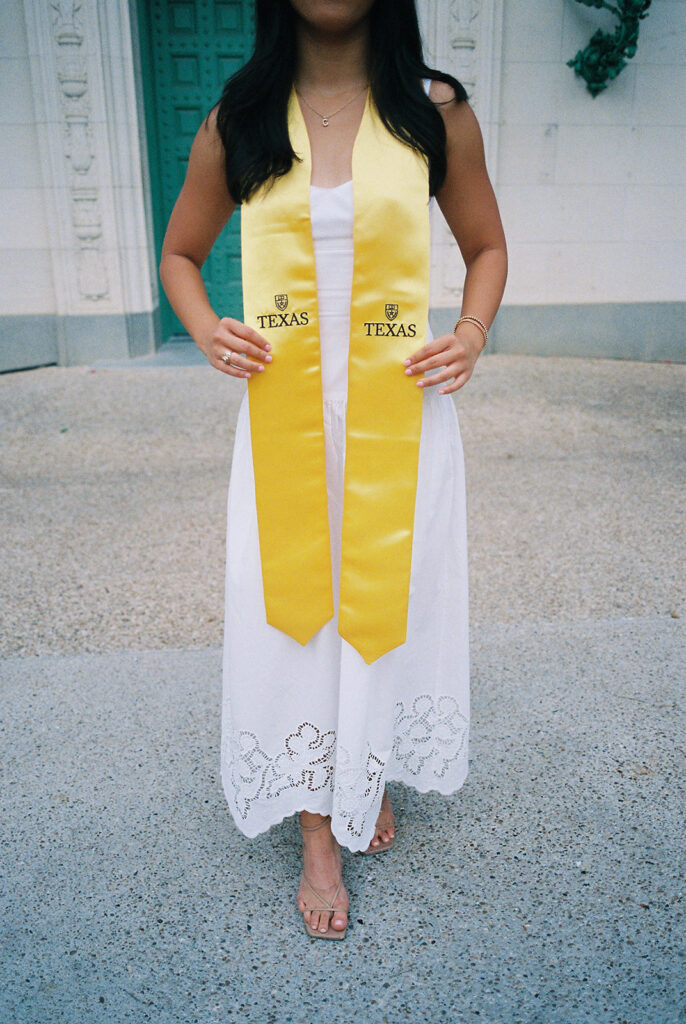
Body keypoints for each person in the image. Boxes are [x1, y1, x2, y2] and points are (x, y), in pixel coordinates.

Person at [159, 0, 507, 941]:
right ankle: (319, 825)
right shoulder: (240, 119)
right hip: (286, 414)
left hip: (400, 411)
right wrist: (203, 329)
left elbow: (486, 246)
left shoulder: (435, 111)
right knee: (294, 601)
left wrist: (470, 332)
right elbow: (182, 254)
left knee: (393, 592)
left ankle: (363, 767)